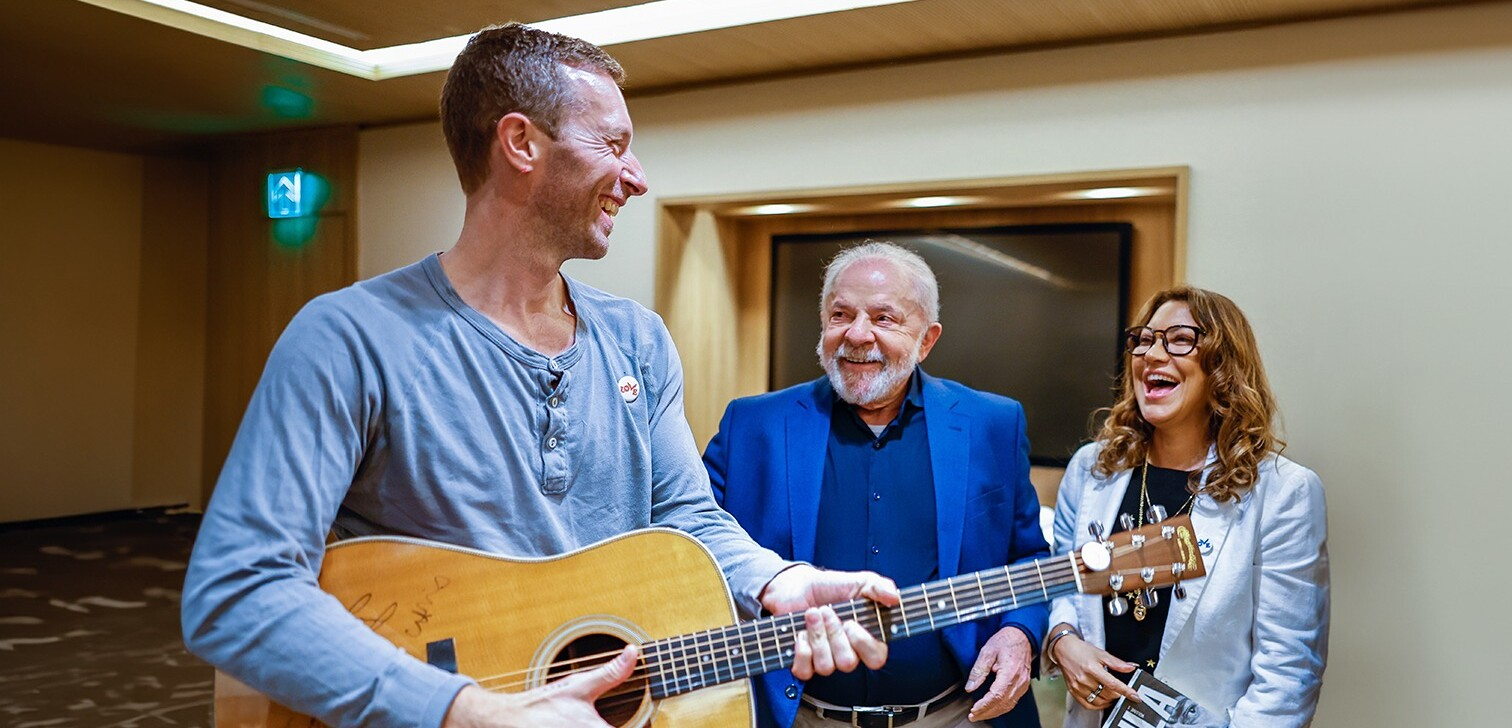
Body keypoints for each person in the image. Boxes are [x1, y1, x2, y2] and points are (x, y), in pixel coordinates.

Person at [181, 25, 898, 728]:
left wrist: (780, 581)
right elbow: (238, 592)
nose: (637, 176)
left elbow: (685, 516)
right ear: (521, 143)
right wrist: (469, 710)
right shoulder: (348, 337)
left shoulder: (637, 340)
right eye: (612, 145)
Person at [704, 242, 1051, 728]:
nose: (857, 334)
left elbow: (1029, 557)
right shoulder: (752, 427)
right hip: (796, 716)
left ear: (926, 340)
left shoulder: (992, 424)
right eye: (840, 314)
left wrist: (1020, 633)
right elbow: (693, 551)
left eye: (884, 318)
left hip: (956, 713)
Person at [1043, 286, 1329, 727]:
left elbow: (1288, 675)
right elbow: (1059, 584)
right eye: (1144, 339)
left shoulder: (1283, 492)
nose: (1152, 354)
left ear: (1222, 366)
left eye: (1179, 340)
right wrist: (1063, 641)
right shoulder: (1092, 469)